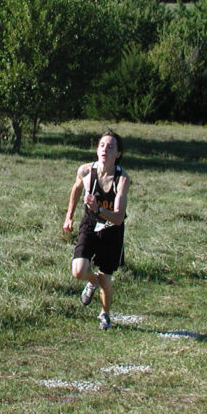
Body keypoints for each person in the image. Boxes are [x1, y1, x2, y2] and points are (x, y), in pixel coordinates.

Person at [62, 131, 130, 330]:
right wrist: (69, 216)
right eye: (102, 145)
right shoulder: (85, 171)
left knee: (106, 280)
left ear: (118, 154)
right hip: (90, 224)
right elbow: (75, 189)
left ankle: (105, 314)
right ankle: (92, 282)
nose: (105, 150)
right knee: (78, 270)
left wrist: (99, 208)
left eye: (110, 147)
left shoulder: (122, 179)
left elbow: (118, 218)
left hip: (111, 230)